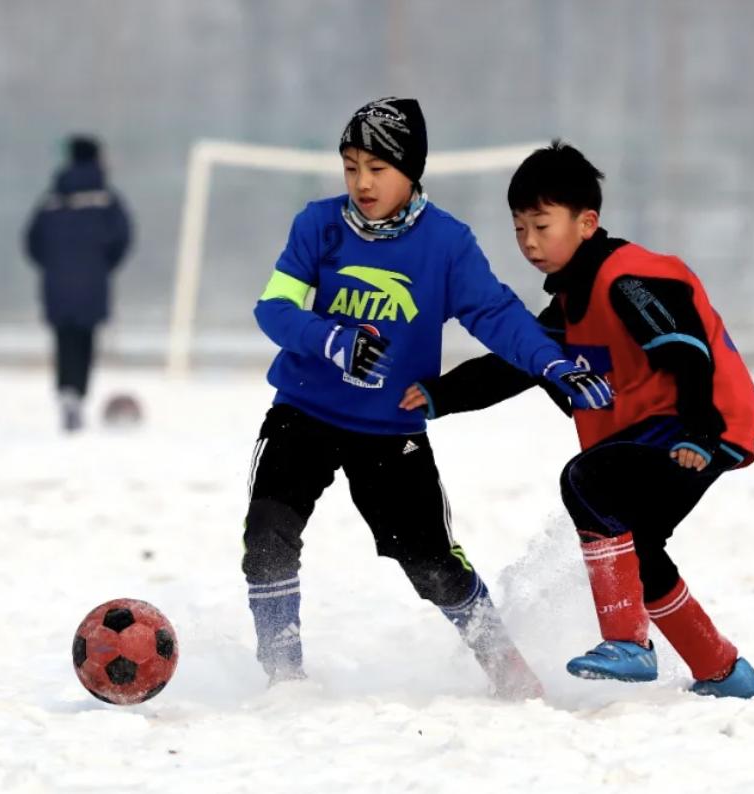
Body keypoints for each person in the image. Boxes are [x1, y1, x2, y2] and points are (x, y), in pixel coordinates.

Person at [246, 99, 613, 696]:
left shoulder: (446, 243)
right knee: (266, 534)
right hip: (302, 411)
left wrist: (553, 363)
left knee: (431, 564)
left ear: (411, 171)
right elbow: (273, 307)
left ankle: (507, 669)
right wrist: (330, 339)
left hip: (391, 429)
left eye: (377, 168)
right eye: (350, 166)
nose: (362, 182)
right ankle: (283, 673)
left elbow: (496, 315)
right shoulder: (316, 225)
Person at [400, 141, 754, 698]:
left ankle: (628, 643)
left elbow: (686, 350)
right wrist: (436, 396)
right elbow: (515, 367)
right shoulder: (571, 305)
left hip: (695, 426)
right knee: (638, 547)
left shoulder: (628, 279)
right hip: (671, 431)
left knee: (587, 480)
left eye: (542, 226)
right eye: (519, 228)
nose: (529, 242)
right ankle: (723, 670)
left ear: (587, 222)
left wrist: (696, 431)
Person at [24, 135, 132, 431]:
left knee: (63, 340)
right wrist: (102, 266)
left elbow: (32, 241)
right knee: (85, 339)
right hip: (93, 283)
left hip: (56, 284)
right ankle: (78, 393)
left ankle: (66, 392)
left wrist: (53, 266)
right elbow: (123, 238)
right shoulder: (107, 199)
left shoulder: (51, 199)